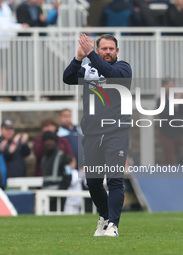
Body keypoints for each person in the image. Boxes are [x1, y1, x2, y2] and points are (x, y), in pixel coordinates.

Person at [63, 33, 132, 237]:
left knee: (114, 180)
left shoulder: (123, 68)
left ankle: (114, 226)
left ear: (117, 51)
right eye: (104, 49)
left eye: (111, 49)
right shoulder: (88, 69)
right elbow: (67, 78)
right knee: (92, 181)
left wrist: (90, 54)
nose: (108, 52)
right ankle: (104, 217)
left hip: (116, 132)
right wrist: (78, 58)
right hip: (92, 133)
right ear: (98, 49)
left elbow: (109, 73)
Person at [157, 78, 183, 165]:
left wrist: (182, 101)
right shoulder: (160, 100)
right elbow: (163, 115)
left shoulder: (178, 99)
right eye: (169, 85)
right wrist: (173, 105)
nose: (172, 87)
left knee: (182, 158)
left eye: (173, 85)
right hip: (166, 134)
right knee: (169, 159)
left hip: (179, 133)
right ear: (164, 87)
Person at [41, 131, 72, 211]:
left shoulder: (62, 157)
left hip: (58, 196)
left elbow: (68, 175)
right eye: (46, 140)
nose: (48, 142)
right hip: (46, 196)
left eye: (50, 139)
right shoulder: (44, 159)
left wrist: (61, 191)